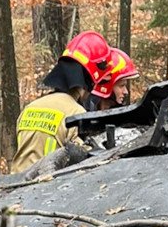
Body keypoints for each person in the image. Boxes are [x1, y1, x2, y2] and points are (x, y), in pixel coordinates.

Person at [11, 31, 110, 173]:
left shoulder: (29, 108)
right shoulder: (75, 113)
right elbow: (86, 164)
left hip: (13, 186)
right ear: (89, 80)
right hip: (46, 187)